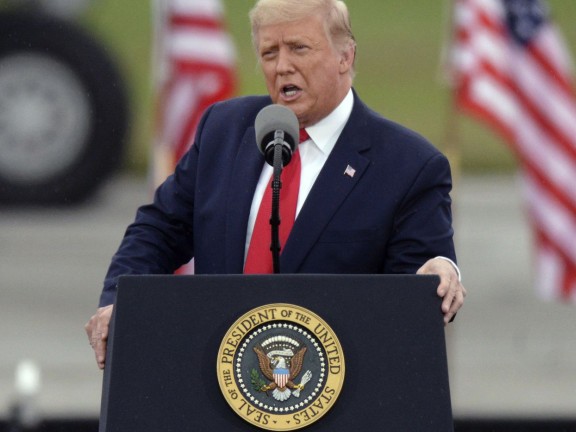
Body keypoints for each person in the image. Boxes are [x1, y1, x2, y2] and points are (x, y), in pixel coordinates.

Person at [86, 0, 466, 369]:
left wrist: (437, 272)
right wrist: (119, 302)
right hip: (216, 382)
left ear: (345, 57)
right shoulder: (223, 130)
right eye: (270, 53)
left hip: (338, 394)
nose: (283, 67)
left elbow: (419, 286)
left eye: (299, 48)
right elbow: (158, 230)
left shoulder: (408, 166)